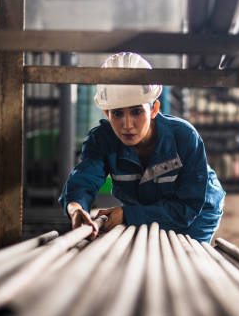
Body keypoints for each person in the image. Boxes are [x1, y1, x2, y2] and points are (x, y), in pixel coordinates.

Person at [58, 52, 225, 243]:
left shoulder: (184, 137)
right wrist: (76, 208)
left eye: (137, 111)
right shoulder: (101, 140)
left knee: (182, 259)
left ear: (153, 109)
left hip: (198, 212)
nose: (127, 124)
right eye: (118, 113)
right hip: (147, 207)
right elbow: (83, 181)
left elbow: (187, 208)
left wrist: (128, 215)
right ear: (106, 113)